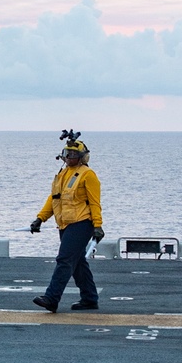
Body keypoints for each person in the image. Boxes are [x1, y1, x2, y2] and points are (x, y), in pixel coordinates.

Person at [29, 133, 104, 312]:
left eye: (73, 154)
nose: (69, 157)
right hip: (65, 224)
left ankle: (51, 298)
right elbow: (54, 199)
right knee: (77, 263)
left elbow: (94, 202)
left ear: (82, 157)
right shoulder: (62, 174)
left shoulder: (88, 175)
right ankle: (89, 298)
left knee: (64, 260)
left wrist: (98, 226)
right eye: (66, 153)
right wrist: (40, 218)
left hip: (81, 223)